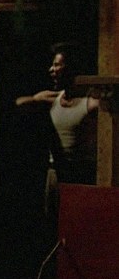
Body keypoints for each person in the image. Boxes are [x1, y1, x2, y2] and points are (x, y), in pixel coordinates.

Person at [15, 42, 98, 219]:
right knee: (53, 222)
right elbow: (19, 103)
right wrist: (41, 98)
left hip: (79, 174)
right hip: (55, 173)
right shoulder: (54, 98)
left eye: (57, 65)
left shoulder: (91, 103)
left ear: (71, 68)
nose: (51, 70)